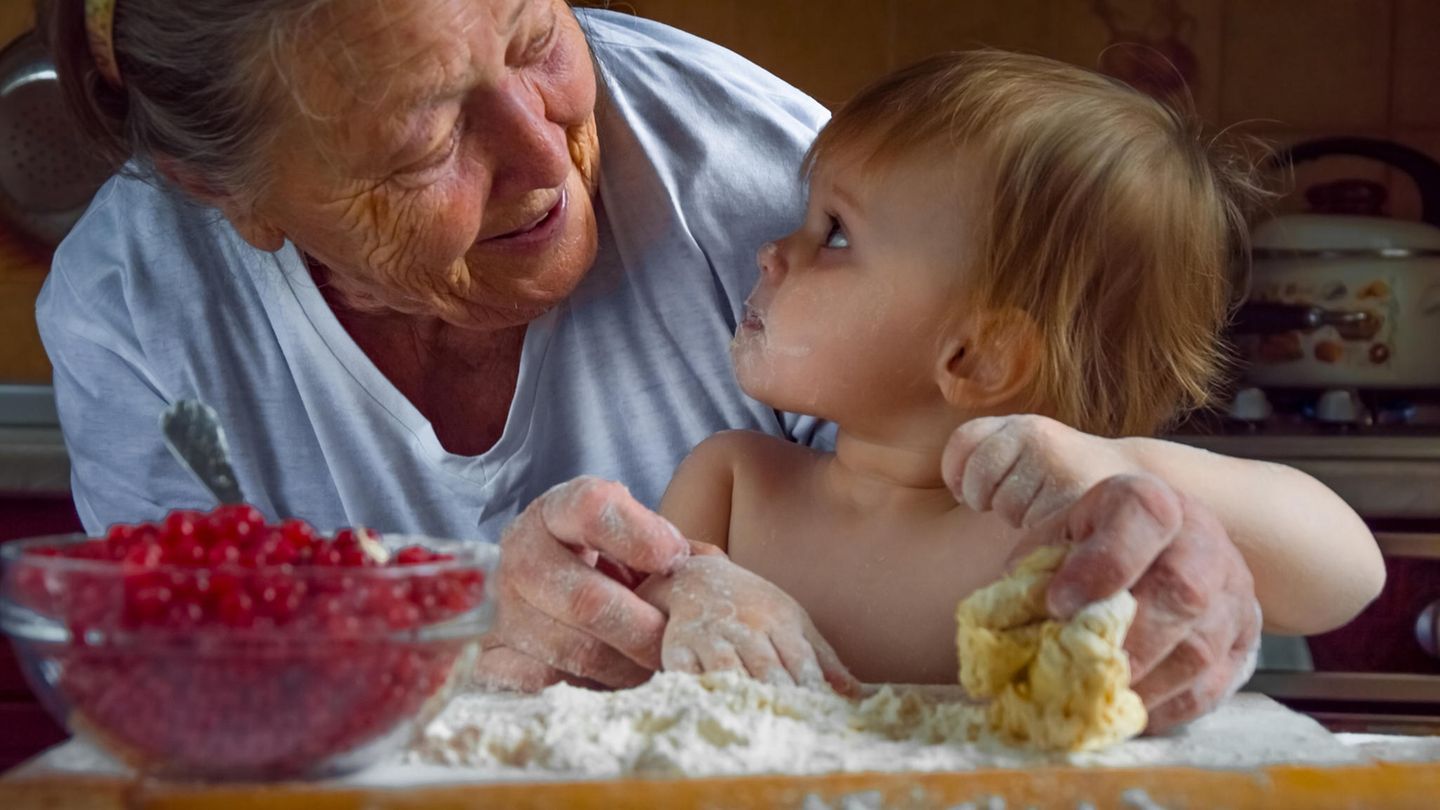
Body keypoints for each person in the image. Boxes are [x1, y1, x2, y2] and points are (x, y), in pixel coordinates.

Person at [32, 0, 1375, 732]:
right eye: (424, 140)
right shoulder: (136, 308)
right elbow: (174, 686)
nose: (545, 157)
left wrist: (1136, 483)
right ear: (225, 192)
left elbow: (1334, 569)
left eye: (534, 40)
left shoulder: (766, 177)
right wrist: (503, 625)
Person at [637, 50, 1386, 731]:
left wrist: (1127, 466)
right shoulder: (734, 483)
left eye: (834, 233)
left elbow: (1349, 575)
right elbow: (631, 643)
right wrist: (687, 595)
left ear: (978, 357)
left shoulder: (1063, 538)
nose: (772, 252)